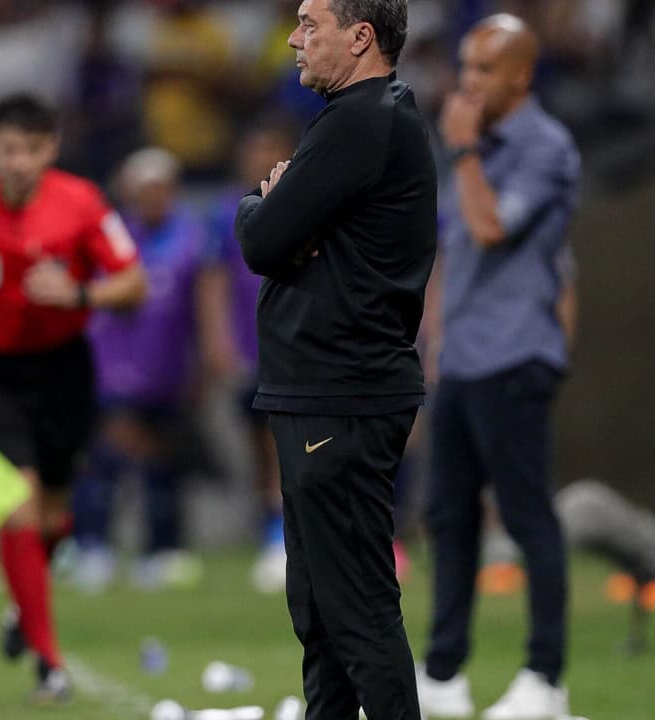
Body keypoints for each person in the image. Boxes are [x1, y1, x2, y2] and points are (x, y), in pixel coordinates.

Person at [233, 0, 436, 717]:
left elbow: (259, 240)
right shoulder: (370, 116)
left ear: (360, 38)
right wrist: (281, 209)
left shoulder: (360, 121)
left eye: (310, 23)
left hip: (341, 396)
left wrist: (264, 204)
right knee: (320, 615)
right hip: (321, 393)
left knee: (358, 614)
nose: (293, 37)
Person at [0, 94, 146, 701]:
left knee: (52, 517)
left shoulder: (82, 204)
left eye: (31, 149)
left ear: (51, 150)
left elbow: (133, 282)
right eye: (7, 149)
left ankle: (25, 611)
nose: (18, 162)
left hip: (63, 369)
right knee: (17, 505)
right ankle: (49, 664)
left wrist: (79, 295)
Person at [419, 14, 581, 720]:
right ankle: (443, 674)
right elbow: (454, 253)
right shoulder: (476, 147)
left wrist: (462, 156)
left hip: (517, 355)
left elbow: (489, 227)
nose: (468, 82)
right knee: (447, 517)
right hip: (465, 357)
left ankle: (545, 679)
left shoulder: (545, 147)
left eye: (483, 69)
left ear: (521, 74)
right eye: (465, 66)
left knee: (526, 519)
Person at [72, 146, 210, 592]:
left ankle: (162, 551)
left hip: (167, 372)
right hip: (112, 370)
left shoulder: (190, 240)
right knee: (104, 466)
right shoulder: (113, 238)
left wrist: (202, 365)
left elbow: (201, 308)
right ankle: (93, 547)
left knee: (162, 469)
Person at [204, 117, 302, 594]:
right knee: (260, 448)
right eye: (255, 149)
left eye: (272, 148)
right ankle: (272, 531)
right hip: (252, 348)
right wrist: (219, 342)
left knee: (292, 444)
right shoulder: (228, 212)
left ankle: (288, 534)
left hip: (298, 345)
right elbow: (215, 282)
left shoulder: (305, 201)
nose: (262, 159)